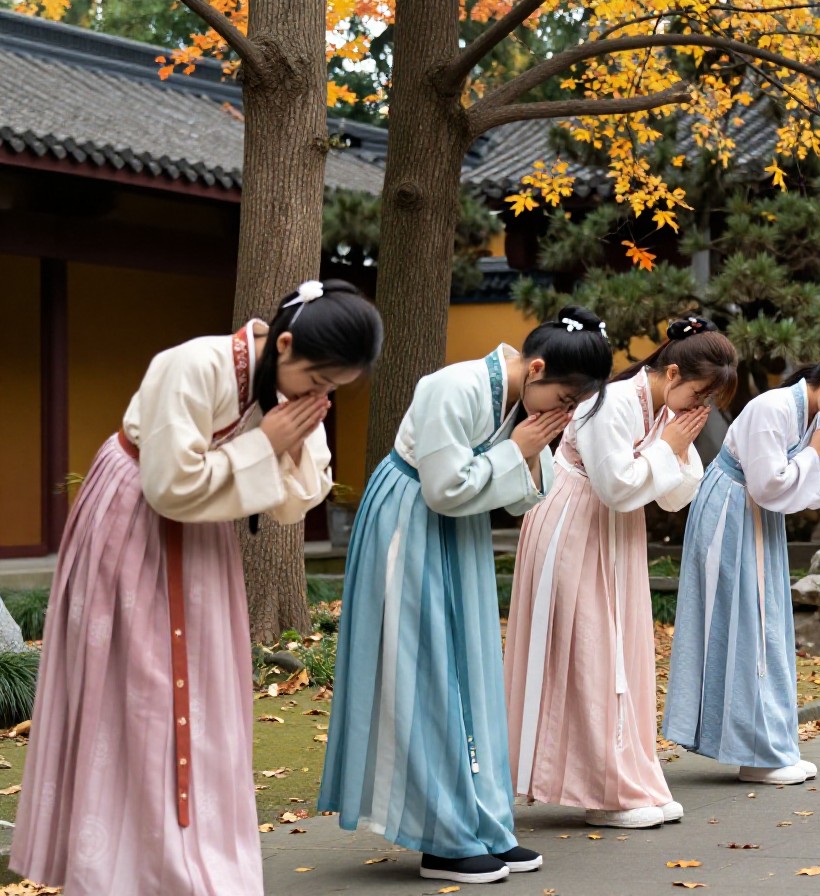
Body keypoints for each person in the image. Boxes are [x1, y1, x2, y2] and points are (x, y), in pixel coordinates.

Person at [12, 280, 382, 894]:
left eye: (334, 389)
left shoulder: (292, 386)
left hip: (204, 535)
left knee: (203, 698)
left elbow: (302, 494)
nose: (319, 397)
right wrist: (266, 444)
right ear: (284, 343)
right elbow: (168, 484)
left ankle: (200, 865)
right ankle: (122, 870)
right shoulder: (191, 365)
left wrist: (282, 447)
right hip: (134, 523)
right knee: (137, 693)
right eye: (316, 380)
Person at [319, 307, 612, 885]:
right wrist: (518, 446)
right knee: (424, 675)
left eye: (576, 405)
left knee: (473, 672)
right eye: (564, 398)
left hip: (459, 527)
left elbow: (529, 493)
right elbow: (444, 486)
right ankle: (441, 837)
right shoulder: (451, 387)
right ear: (536, 368)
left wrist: (527, 448)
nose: (564, 412)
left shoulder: (523, 400)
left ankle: (483, 825)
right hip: (409, 522)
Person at [504, 316, 737, 830]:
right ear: (672, 373)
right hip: (574, 522)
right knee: (591, 652)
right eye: (699, 394)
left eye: (708, 402)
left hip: (615, 529)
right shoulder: (609, 405)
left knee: (624, 653)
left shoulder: (664, 412)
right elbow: (617, 485)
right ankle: (602, 789)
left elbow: (680, 493)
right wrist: (667, 448)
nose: (700, 408)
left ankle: (630, 776)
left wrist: (671, 446)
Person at [663, 346, 820, 785]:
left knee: (767, 625)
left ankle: (772, 747)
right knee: (747, 628)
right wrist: (814, 451)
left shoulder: (812, 415)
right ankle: (757, 754)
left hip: (756, 514)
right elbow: (767, 484)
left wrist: (817, 449)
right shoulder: (773, 407)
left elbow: (798, 483)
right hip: (730, 509)